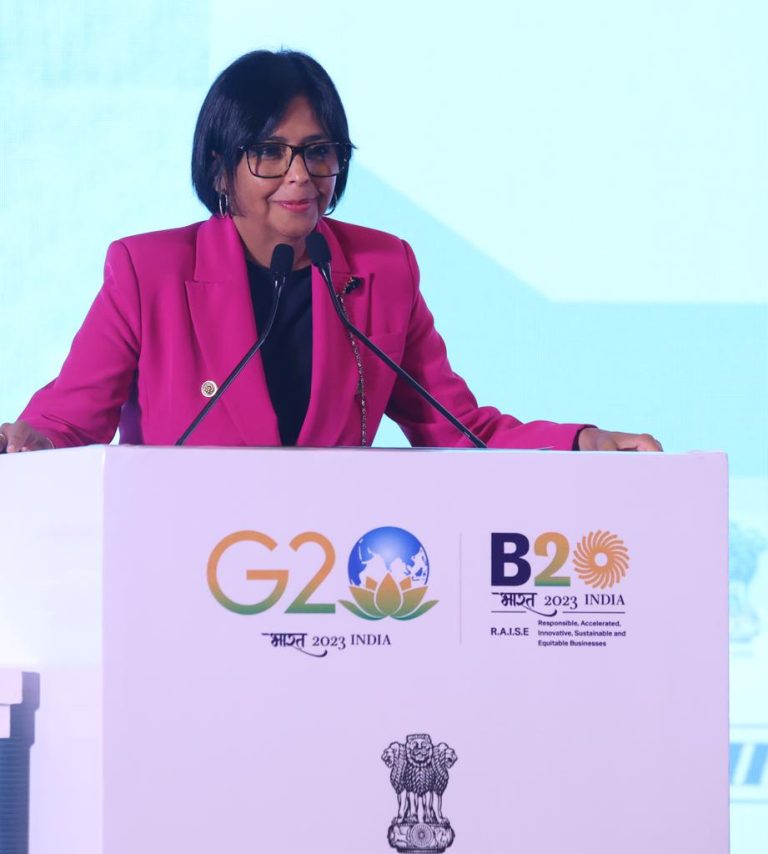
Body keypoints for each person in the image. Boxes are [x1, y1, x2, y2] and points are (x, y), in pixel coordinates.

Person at [0, 50, 661, 455]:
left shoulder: (382, 270)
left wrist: (580, 443)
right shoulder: (149, 273)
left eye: (318, 152)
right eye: (268, 152)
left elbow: (457, 430)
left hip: (331, 585)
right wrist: (32, 440)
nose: (300, 176)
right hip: (185, 569)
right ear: (220, 167)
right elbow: (70, 421)